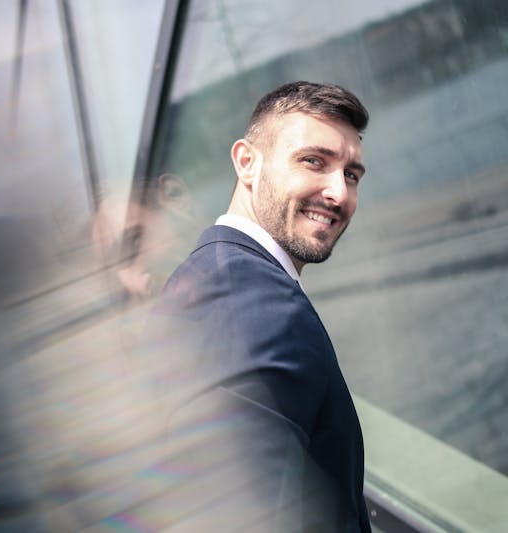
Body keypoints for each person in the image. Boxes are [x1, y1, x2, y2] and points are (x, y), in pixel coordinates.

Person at [146, 81, 371, 531]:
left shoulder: (207, 274)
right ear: (247, 162)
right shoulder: (250, 303)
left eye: (351, 174)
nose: (339, 194)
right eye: (314, 161)